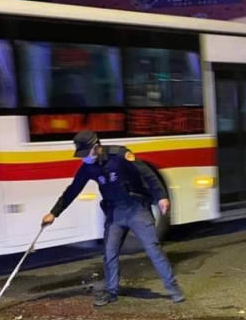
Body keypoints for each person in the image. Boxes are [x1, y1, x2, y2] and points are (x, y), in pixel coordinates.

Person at [42, 130, 184, 306]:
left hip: (136, 209)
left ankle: (173, 288)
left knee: (153, 248)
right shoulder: (87, 167)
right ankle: (111, 291)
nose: (83, 159)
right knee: (109, 253)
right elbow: (72, 190)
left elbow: (147, 173)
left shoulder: (120, 155)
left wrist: (161, 197)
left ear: (96, 147)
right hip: (114, 213)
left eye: (86, 154)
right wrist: (54, 213)